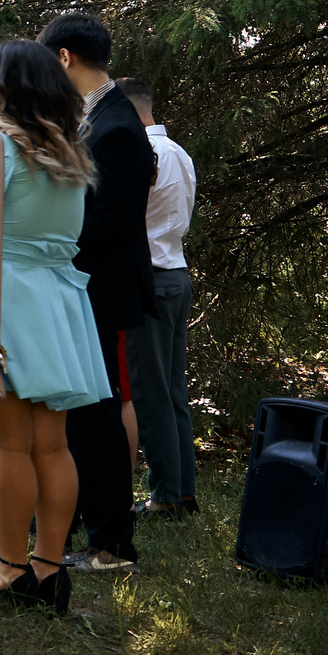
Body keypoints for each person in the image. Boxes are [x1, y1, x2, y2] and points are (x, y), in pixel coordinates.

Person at [0, 39, 112, 613]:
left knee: (8, 443)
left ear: (0, 89)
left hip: (1, 298)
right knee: (52, 445)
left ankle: (10, 569)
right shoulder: (72, 155)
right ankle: (49, 567)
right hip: (56, 301)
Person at [39, 12, 155, 575]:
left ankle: (112, 542)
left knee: (99, 413)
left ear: (64, 59)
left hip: (101, 290)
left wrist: (50, 229)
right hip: (80, 286)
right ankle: (76, 525)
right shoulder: (90, 119)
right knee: (79, 411)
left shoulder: (116, 128)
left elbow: (114, 221)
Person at [122, 77, 201, 520]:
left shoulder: (141, 155)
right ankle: (183, 490)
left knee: (151, 393)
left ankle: (166, 496)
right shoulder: (179, 154)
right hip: (176, 273)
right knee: (173, 389)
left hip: (149, 278)